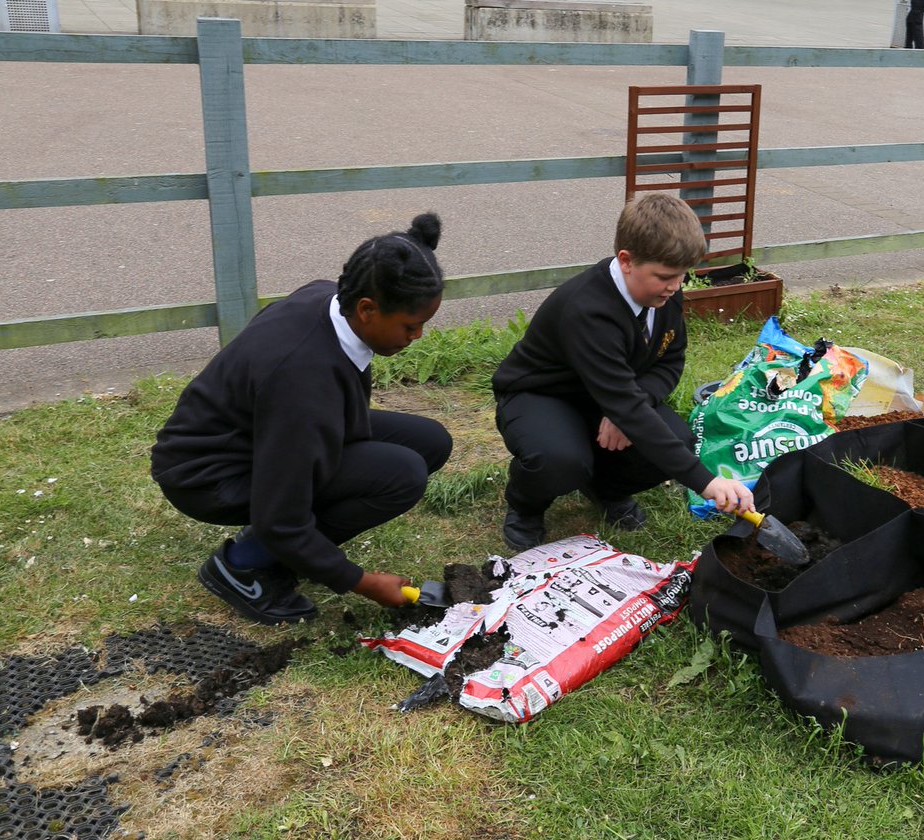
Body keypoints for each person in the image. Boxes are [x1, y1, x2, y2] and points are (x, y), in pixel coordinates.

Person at [151, 214, 452, 625]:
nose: (416, 337)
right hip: (209, 475)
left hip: (263, 433)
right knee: (402, 474)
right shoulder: (303, 381)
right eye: (410, 326)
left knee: (431, 441)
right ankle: (243, 567)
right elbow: (281, 516)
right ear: (367, 309)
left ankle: (276, 552)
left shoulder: (329, 300)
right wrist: (359, 580)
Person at [491, 193, 756, 551]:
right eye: (664, 276)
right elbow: (626, 405)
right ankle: (525, 507)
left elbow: (670, 360)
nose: (676, 286)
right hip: (542, 396)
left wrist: (632, 404)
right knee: (560, 460)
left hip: (611, 395)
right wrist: (706, 482)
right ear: (626, 261)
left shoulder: (663, 294)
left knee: (677, 441)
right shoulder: (588, 311)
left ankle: (605, 489)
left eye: (682, 275)